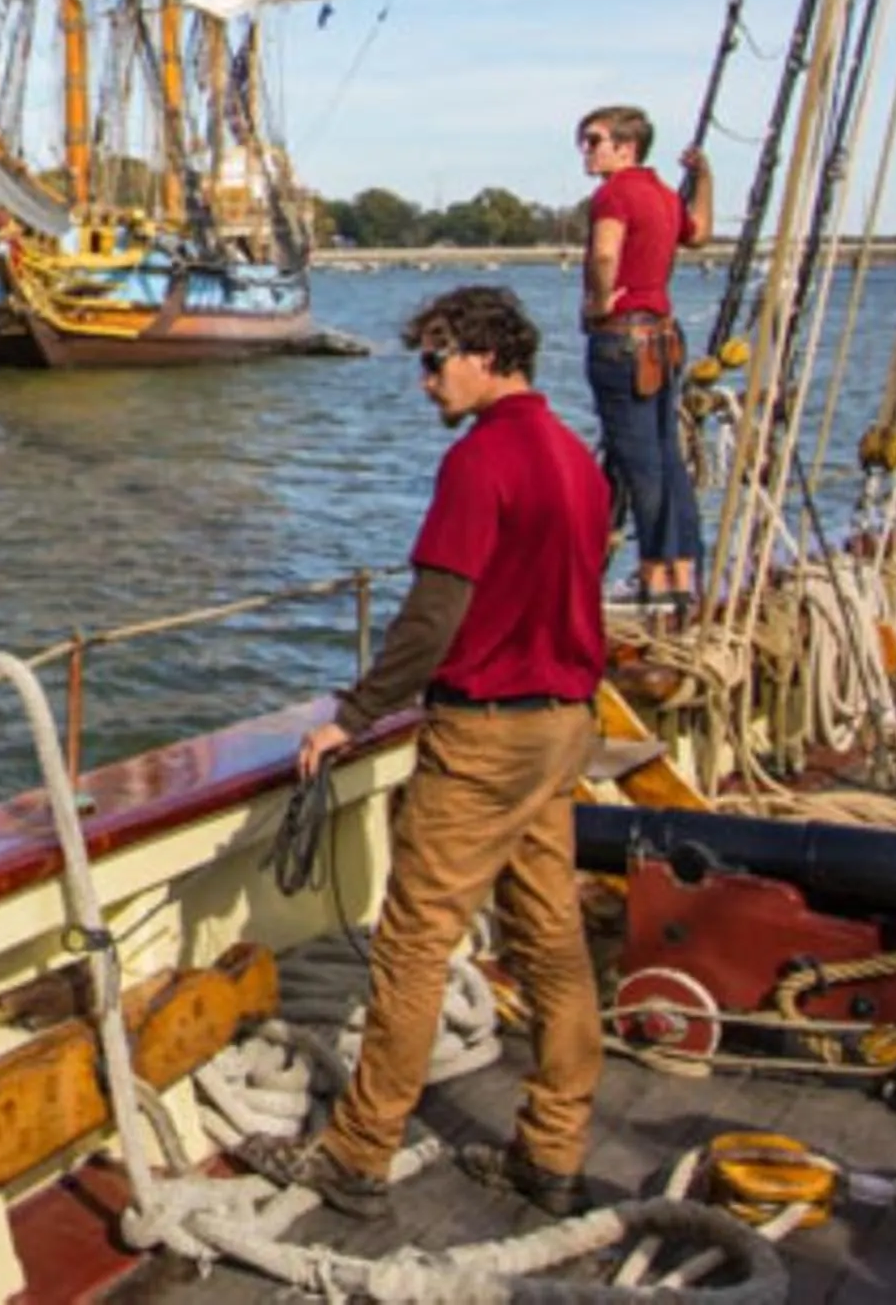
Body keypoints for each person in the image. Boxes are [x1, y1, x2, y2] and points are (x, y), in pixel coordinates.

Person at [242, 285, 612, 1224]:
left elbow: (435, 616)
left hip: (485, 736)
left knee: (412, 945)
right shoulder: (575, 459)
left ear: (487, 355)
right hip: (564, 721)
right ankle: (554, 1150)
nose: (424, 381)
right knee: (550, 936)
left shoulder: (481, 462)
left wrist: (354, 713)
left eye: (435, 359)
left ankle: (360, 1155)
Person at [576, 105, 712, 603]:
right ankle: (685, 569)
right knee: (667, 457)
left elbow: (607, 251)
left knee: (639, 464)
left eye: (595, 141)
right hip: (663, 339)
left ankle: (656, 578)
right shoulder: (662, 196)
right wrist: (704, 179)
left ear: (626, 147)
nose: (586, 151)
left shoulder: (613, 195)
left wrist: (597, 300)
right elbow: (699, 233)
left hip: (622, 340)